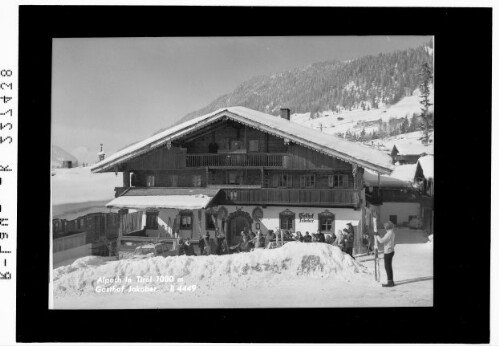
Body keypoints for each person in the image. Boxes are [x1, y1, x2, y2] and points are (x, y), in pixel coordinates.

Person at [374, 221, 396, 287]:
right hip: (391, 250)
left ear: (387, 227)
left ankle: (390, 282)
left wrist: (377, 235)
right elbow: (385, 240)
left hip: (388, 251)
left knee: (387, 267)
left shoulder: (389, 234)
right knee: (389, 267)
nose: (384, 228)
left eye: (385, 226)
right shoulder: (392, 233)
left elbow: (381, 241)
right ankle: (391, 281)